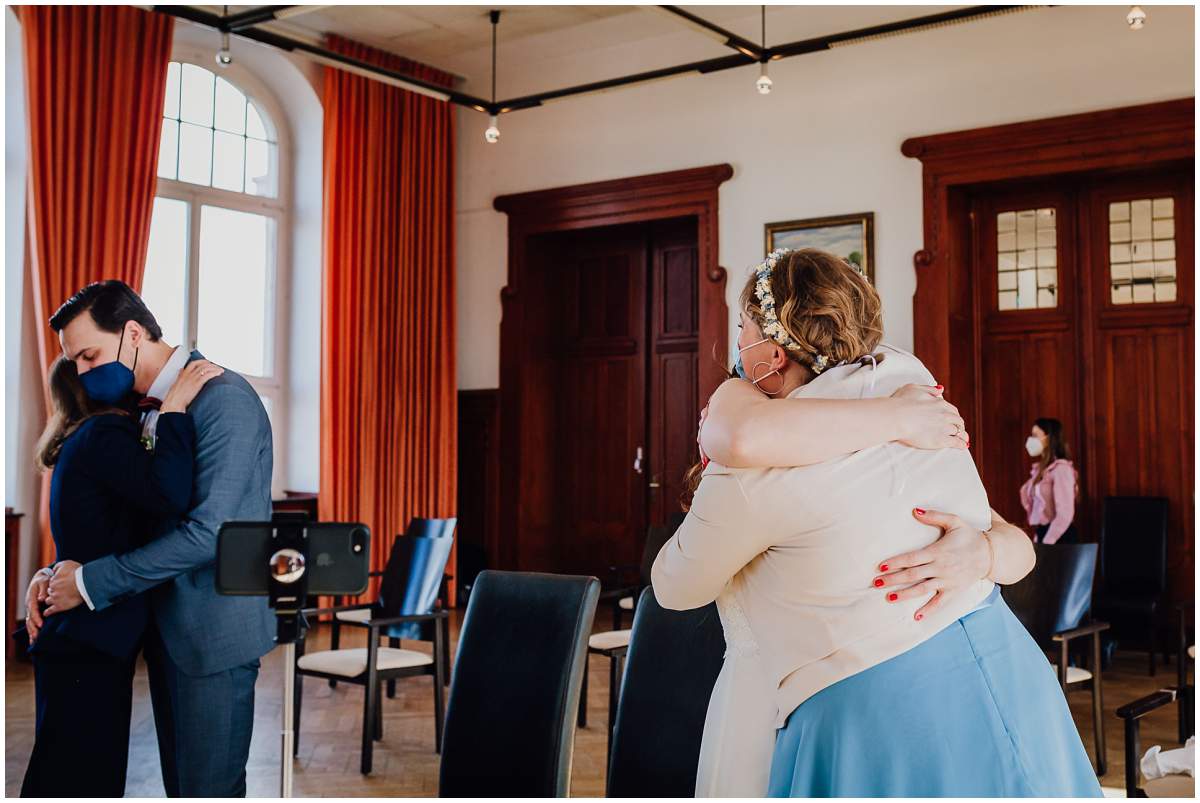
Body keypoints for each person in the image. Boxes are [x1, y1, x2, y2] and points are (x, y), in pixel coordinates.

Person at [653, 248, 1101, 797]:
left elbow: (674, 586)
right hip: (1011, 672)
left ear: (771, 354)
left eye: (742, 328)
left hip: (878, 713)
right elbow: (1007, 536)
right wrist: (987, 552)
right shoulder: (916, 394)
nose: (737, 347)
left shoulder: (749, 469)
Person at [24, 280, 276, 797]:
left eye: (90, 355)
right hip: (161, 633)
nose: (86, 372)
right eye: (77, 364)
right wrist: (54, 573)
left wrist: (90, 582)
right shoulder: (142, 408)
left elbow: (209, 534)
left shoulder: (222, 398)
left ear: (133, 333)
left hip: (211, 636)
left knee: (207, 791)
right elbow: (123, 516)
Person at [21, 354, 220, 797]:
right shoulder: (105, 433)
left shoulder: (81, 436)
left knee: (72, 770)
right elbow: (168, 495)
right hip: (91, 636)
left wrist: (48, 570)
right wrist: (172, 413)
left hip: (80, 633)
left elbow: (93, 532)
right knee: (79, 778)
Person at [1019, 417, 1079, 544]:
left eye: (1035, 435)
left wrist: (1047, 541)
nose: (1030, 440)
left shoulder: (1062, 469)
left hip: (1060, 538)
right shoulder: (1040, 471)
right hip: (1044, 534)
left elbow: (1065, 513)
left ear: (1048, 438)